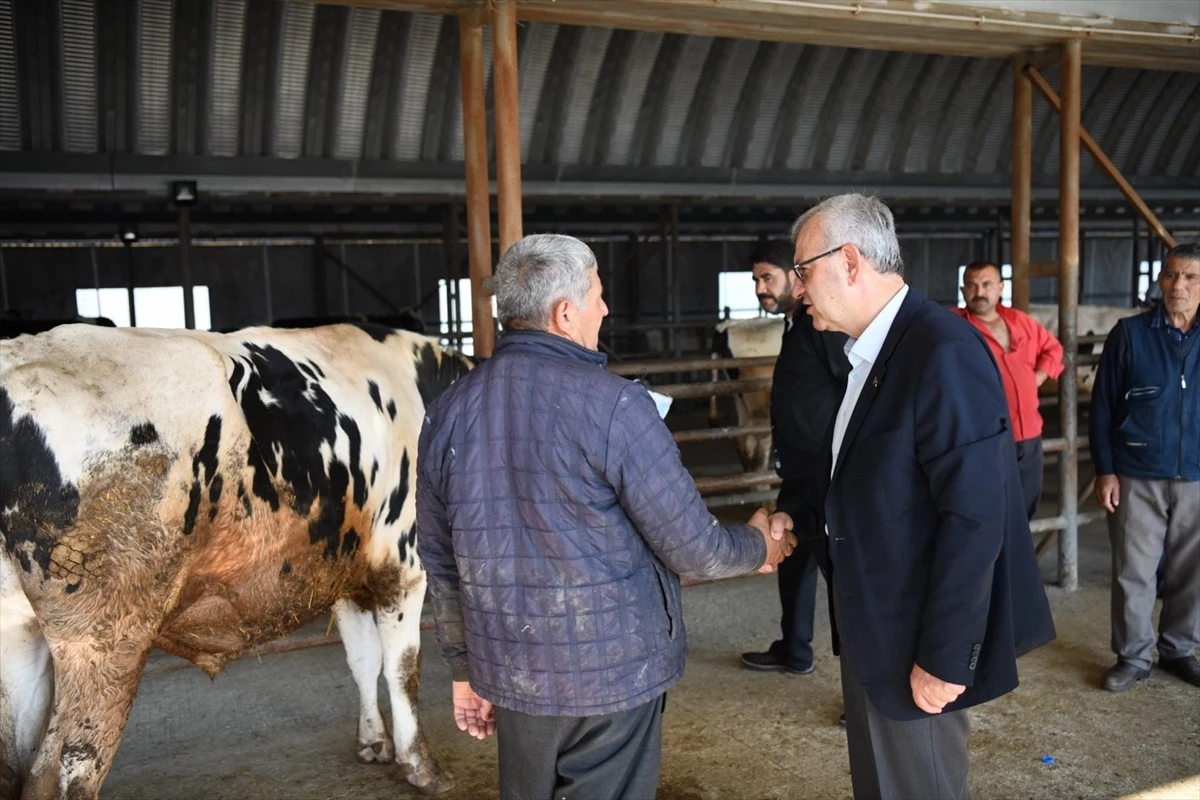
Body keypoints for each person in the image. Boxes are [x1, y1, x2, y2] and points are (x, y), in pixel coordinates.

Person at [416, 233, 797, 800]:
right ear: (564, 312)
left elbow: (441, 562)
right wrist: (760, 543)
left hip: (513, 673)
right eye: (597, 295)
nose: (606, 307)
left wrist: (464, 671)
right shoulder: (615, 406)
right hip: (612, 676)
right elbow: (696, 548)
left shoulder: (447, 411)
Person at [772, 194, 1055, 799]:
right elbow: (858, 476)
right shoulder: (870, 353)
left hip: (916, 638)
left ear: (850, 261)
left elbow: (974, 517)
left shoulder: (941, 351)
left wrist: (947, 657)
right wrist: (795, 512)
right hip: (876, 622)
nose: (798, 289)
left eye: (803, 271)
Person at [1090, 241, 1200, 693]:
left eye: (1191, 278)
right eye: (1172, 276)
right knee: (1133, 569)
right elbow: (1102, 408)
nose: (1180, 286)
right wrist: (1106, 470)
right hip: (1137, 472)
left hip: (1196, 474)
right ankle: (1133, 656)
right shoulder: (1130, 334)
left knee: (1193, 570)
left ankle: (1179, 649)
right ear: (1160, 281)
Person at [739, 240, 850, 678]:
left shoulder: (820, 324)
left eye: (768, 278)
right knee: (793, 561)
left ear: (796, 276)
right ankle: (795, 649)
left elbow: (851, 387)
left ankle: (863, 685)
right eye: (755, 280)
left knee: (843, 578)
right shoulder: (794, 324)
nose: (759, 288)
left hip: (826, 474)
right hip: (800, 473)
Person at [954, 261, 1064, 520]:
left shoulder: (1021, 321)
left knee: (1025, 507)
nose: (979, 291)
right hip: (982, 437)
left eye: (986, 284)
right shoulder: (952, 326)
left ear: (1001, 288)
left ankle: (1017, 560)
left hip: (1029, 434)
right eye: (971, 285)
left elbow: (1054, 348)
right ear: (963, 290)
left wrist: (1036, 378)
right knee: (985, 511)